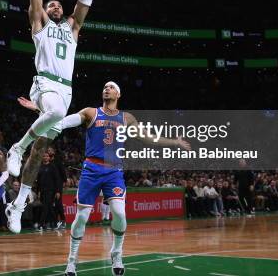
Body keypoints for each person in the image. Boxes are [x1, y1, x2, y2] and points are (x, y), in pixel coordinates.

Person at [18, 82, 190, 276]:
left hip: (114, 171)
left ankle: (117, 253)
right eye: (105, 87)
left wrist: (174, 142)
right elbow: (62, 122)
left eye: (111, 87)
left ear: (118, 93)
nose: (106, 88)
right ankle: (72, 261)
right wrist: (43, 111)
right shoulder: (91, 113)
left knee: (120, 213)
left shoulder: (126, 118)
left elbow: (148, 138)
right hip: (91, 169)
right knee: (82, 217)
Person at [6, 0, 94, 234]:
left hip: (65, 91)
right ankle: (16, 148)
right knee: (54, 115)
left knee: (40, 150)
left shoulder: (73, 28)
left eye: (58, 5)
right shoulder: (39, 24)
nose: (55, 7)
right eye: (50, 5)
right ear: (42, 12)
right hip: (44, 82)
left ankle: (18, 204)